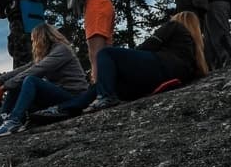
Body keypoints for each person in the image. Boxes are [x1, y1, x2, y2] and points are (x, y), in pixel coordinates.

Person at [33, 11, 209, 119]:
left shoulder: (174, 26)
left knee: (106, 53)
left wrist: (126, 60)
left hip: (159, 67)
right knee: (106, 84)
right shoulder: (194, 52)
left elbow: (148, 46)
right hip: (164, 79)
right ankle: (66, 109)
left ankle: (104, 98)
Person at [0, 23, 88, 138]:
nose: (33, 44)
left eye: (33, 40)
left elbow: (36, 70)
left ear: (41, 38)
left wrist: (5, 86)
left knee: (30, 80)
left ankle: (14, 120)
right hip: (59, 95)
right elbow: (24, 69)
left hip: (74, 97)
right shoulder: (46, 54)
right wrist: (0, 80)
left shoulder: (61, 50)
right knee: (17, 84)